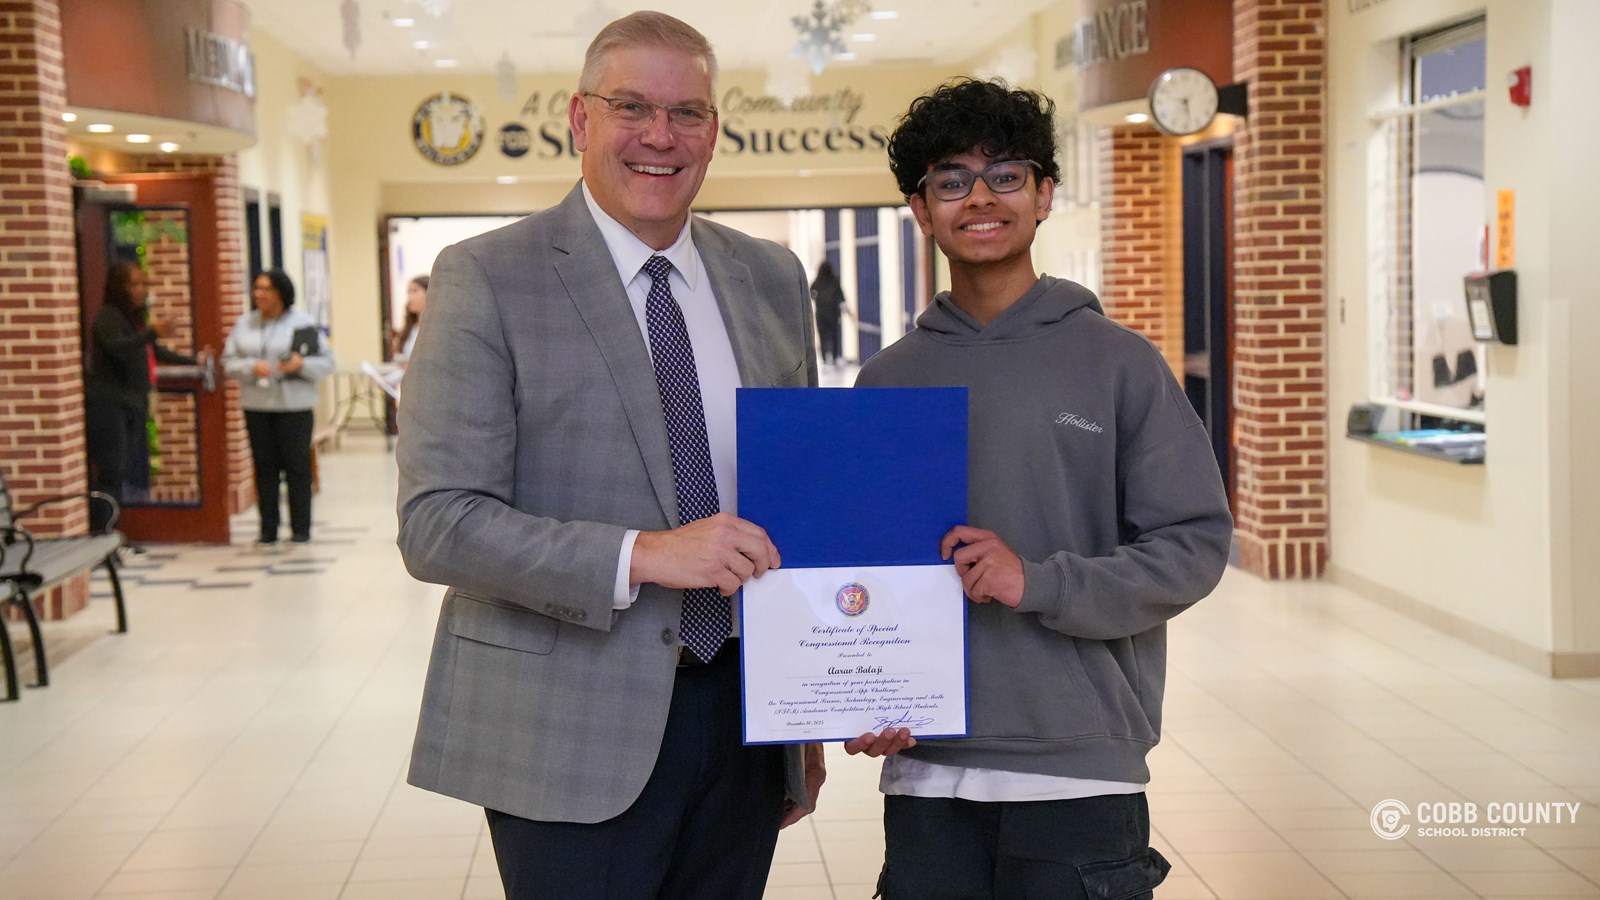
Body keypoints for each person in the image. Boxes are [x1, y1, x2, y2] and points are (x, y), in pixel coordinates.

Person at [395, 12, 822, 900]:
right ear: (580, 119)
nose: (661, 136)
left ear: (714, 129)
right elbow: (437, 523)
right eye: (632, 106)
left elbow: (799, 502)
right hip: (566, 725)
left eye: (688, 113)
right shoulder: (486, 277)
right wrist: (649, 554)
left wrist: (806, 712)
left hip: (745, 717)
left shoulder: (773, 280)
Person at [847, 78, 1234, 900]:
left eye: (1006, 175)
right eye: (951, 179)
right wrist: (856, 687)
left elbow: (1194, 545)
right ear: (921, 210)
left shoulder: (1120, 363)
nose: (980, 197)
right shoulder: (887, 380)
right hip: (928, 773)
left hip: (1079, 770)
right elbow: (860, 574)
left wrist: (1042, 580)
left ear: (1045, 194)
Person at [84, 261, 202, 532]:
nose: (140, 290)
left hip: (131, 404)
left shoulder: (133, 318)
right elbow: (118, 349)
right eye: (134, 284)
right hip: (109, 405)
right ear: (118, 287)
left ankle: (113, 536)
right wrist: (151, 332)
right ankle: (103, 537)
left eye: (143, 284)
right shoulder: (107, 316)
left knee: (121, 472)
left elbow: (151, 351)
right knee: (110, 473)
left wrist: (193, 361)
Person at [221, 270, 335, 545]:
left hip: (294, 406)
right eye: (256, 288)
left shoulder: (302, 322)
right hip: (257, 406)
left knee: (297, 468)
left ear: (281, 293)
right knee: (264, 467)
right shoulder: (245, 324)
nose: (259, 294)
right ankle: (268, 529)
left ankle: (300, 529)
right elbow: (227, 362)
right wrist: (250, 366)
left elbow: (328, 362)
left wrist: (301, 365)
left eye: (266, 289)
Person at [809, 260, 845, 366]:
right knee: (834, 335)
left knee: (822, 336)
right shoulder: (834, 280)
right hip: (833, 313)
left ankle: (824, 357)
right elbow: (840, 295)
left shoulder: (817, 282)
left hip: (821, 313)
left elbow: (811, 294)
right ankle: (833, 357)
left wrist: (817, 299)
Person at [390, 274, 429, 365]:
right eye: (408, 292)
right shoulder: (410, 328)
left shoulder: (434, 327)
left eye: (415, 291)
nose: (410, 297)